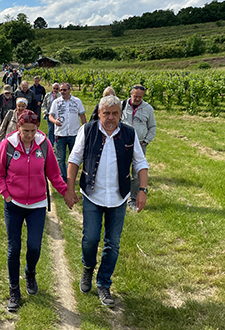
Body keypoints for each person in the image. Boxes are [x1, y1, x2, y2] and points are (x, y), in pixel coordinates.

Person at [64, 95, 149, 307]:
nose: (111, 117)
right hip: (92, 195)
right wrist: (69, 188)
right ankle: (88, 267)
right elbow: (74, 159)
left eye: (115, 113)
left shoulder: (129, 133)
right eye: (106, 113)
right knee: (90, 239)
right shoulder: (88, 130)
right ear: (99, 113)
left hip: (119, 197)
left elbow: (140, 162)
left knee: (113, 244)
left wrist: (142, 190)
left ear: (121, 114)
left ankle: (103, 283)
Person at [0, 110, 69, 312]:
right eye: (25, 131)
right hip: (14, 205)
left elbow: (53, 173)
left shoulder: (44, 145)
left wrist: (65, 192)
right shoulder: (7, 146)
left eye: (32, 131)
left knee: (34, 247)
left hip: (37, 205)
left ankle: (30, 272)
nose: (28, 135)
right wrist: (6, 195)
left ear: (38, 129)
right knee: (14, 249)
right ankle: (14, 290)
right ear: (18, 128)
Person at [120, 84, 156, 212]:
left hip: (139, 145)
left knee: (136, 174)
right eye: (135, 96)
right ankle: (121, 196)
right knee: (121, 171)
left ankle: (133, 199)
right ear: (130, 93)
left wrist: (146, 141)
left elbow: (152, 127)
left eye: (140, 97)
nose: (137, 99)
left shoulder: (148, 109)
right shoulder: (122, 105)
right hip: (122, 144)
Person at [48, 82, 87, 181]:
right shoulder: (56, 102)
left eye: (64, 90)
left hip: (74, 134)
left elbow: (82, 116)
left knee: (74, 158)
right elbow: (50, 116)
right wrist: (54, 121)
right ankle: (64, 178)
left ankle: (71, 176)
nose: (62, 92)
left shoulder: (77, 101)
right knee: (60, 158)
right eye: (61, 90)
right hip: (60, 134)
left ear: (70, 90)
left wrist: (85, 130)